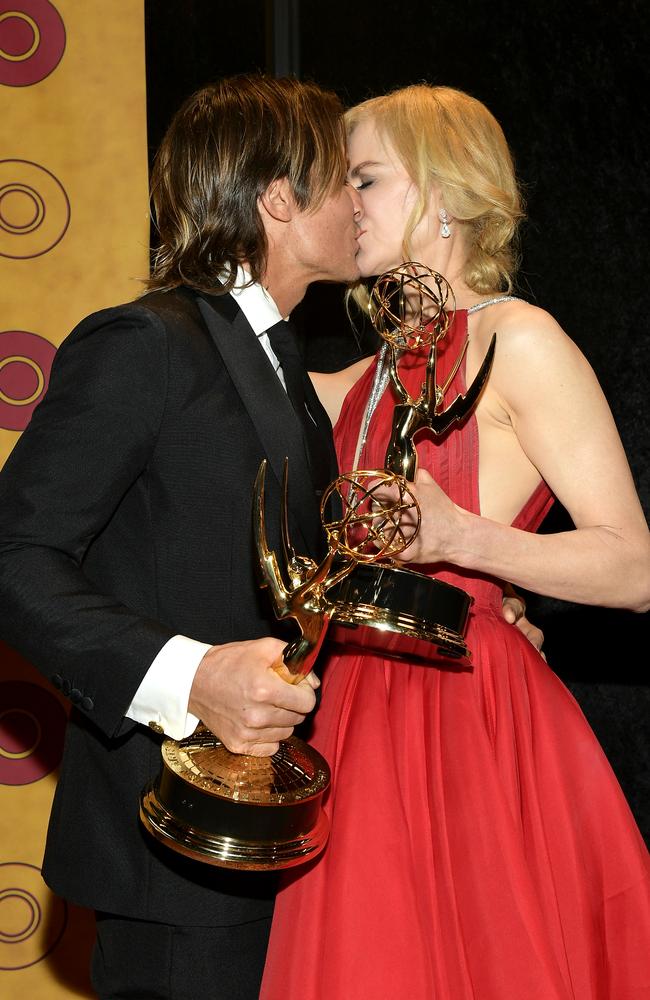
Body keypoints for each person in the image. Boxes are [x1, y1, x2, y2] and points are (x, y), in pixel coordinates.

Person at [261, 84, 650, 999]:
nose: (345, 203)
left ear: (442, 195)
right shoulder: (356, 377)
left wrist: (466, 539)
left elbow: (634, 566)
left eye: (365, 178)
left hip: (473, 720)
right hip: (351, 715)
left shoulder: (518, 340)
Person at [0, 75, 364, 999]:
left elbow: (294, 582)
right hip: (174, 858)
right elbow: (13, 557)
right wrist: (191, 677)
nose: (359, 205)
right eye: (344, 182)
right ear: (279, 199)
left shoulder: (280, 360)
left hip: (268, 839)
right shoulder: (149, 343)